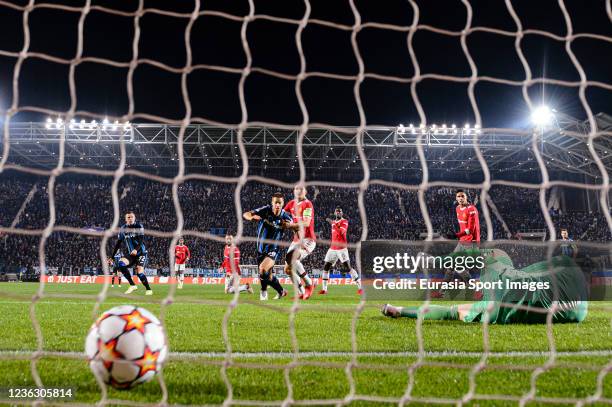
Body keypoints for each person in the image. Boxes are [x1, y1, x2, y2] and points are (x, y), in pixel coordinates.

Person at [382, 248, 588, 324]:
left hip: (573, 302)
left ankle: (436, 261)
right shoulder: (501, 278)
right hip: (577, 309)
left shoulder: (491, 307)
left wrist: (401, 310)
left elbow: (449, 312)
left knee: (494, 256)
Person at [243, 193, 293, 300]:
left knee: (262, 269)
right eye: (276, 202)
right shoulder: (265, 210)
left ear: (283, 204)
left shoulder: (285, 216)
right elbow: (247, 214)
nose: (278, 205)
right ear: (272, 203)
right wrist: (251, 217)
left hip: (273, 249)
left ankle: (263, 292)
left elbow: (291, 224)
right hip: (260, 249)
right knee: (268, 276)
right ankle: (281, 291)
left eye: (280, 203)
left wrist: (288, 225)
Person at [283, 184, 316, 300]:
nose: (298, 191)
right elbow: (282, 214)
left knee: (293, 258)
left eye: (301, 189)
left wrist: (290, 225)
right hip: (296, 239)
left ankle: (309, 283)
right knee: (287, 269)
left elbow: (306, 223)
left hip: (308, 239)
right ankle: (301, 292)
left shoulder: (308, 204)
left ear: (305, 192)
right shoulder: (291, 203)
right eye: (296, 188)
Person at [320, 207, 362, 295]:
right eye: (337, 211)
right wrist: (333, 223)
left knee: (348, 267)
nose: (338, 213)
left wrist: (333, 223)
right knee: (326, 267)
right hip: (332, 248)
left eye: (340, 212)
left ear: (342, 213)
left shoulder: (344, 222)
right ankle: (324, 289)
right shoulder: (334, 223)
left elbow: (341, 233)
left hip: (341, 249)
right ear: (334, 213)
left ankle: (360, 288)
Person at [109, 211, 153, 295]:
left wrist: (136, 249)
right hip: (132, 254)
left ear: (134, 218)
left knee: (139, 272)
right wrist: (112, 256)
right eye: (128, 217)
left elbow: (141, 240)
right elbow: (118, 243)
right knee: (120, 263)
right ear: (126, 219)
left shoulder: (138, 226)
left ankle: (148, 289)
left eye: (131, 217)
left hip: (141, 253)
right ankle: (132, 285)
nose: (130, 218)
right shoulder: (123, 229)